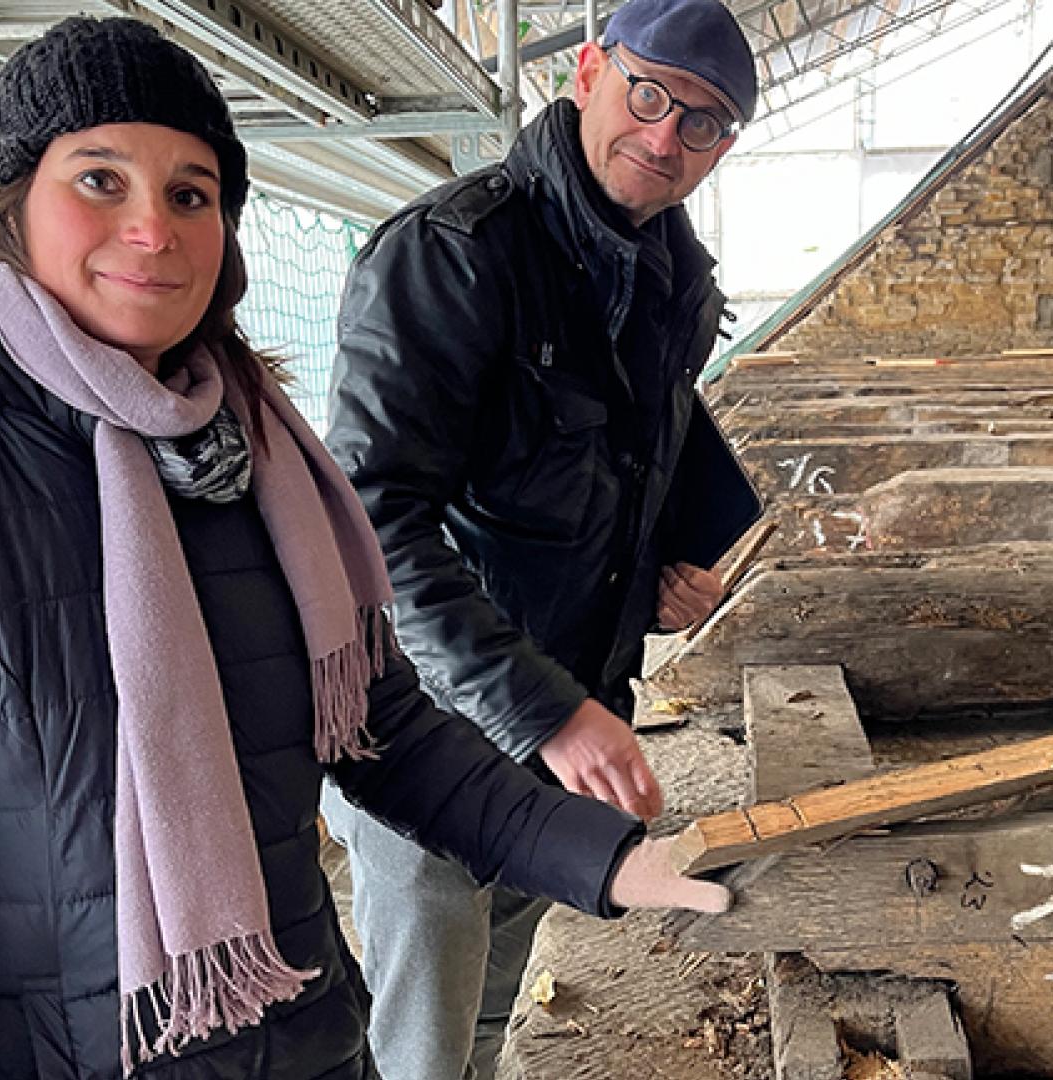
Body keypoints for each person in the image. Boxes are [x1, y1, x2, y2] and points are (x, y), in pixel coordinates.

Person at [0, 16, 725, 1080]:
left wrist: (606, 863)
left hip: (301, 1040)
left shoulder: (244, 452)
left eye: (192, 194)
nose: (154, 230)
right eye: (101, 181)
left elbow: (382, 726)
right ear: (8, 206)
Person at [320, 1, 761, 1077]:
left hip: (573, 696)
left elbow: (624, 459)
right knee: (424, 993)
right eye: (649, 95)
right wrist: (546, 709)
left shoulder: (672, 278)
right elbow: (369, 517)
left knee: (504, 974)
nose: (664, 138)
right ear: (588, 71)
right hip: (428, 713)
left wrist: (665, 562)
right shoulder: (452, 254)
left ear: (724, 146)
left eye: (700, 123)